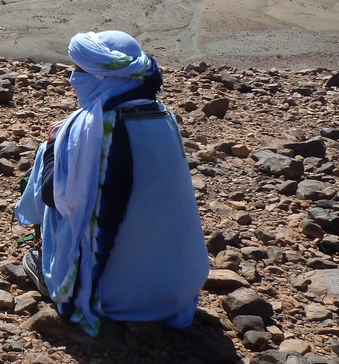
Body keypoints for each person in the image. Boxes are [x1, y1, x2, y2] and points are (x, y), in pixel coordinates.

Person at [15, 30, 209, 336]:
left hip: (114, 296)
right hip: (180, 287)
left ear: (103, 77)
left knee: (51, 162)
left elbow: (54, 195)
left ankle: (56, 272)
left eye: (79, 71)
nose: (72, 79)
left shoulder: (90, 129)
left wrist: (53, 145)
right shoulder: (164, 114)